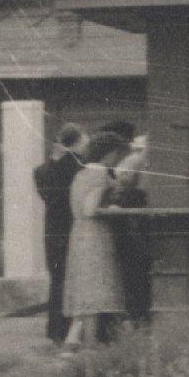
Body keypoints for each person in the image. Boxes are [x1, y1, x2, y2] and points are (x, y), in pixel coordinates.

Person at [62, 131, 133, 348]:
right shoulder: (100, 175)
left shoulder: (81, 174)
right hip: (96, 235)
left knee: (85, 287)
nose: (118, 160)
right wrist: (112, 209)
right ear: (109, 154)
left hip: (79, 234)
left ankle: (74, 340)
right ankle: (91, 346)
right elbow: (91, 209)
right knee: (98, 287)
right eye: (118, 155)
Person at [32, 124, 86, 346]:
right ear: (73, 145)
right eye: (83, 141)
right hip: (72, 228)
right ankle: (71, 330)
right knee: (72, 279)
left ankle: (55, 331)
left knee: (57, 280)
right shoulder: (77, 168)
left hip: (52, 230)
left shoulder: (41, 171)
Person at [108, 135, 155, 326]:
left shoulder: (134, 160)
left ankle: (135, 316)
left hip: (132, 218)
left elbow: (122, 182)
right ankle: (138, 316)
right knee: (139, 271)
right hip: (139, 218)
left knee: (134, 272)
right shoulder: (141, 159)